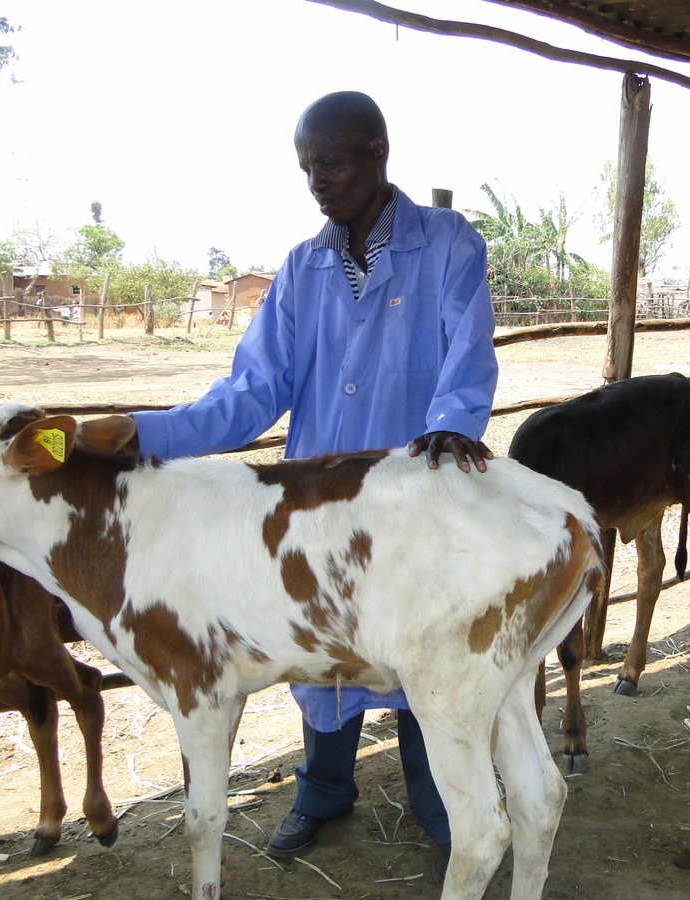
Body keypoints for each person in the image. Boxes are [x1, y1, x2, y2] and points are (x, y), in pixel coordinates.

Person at [127, 90, 498, 883]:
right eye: (306, 168)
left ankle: (437, 804)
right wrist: (143, 432)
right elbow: (253, 394)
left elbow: (466, 358)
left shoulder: (447, 246)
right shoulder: (303, 268)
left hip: (410, 506)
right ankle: (325, 790)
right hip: (316, 512)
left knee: (419, 652)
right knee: (316, 655)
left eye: (330, 161)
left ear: (376, 151)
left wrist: (455, 425)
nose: (317, 181)